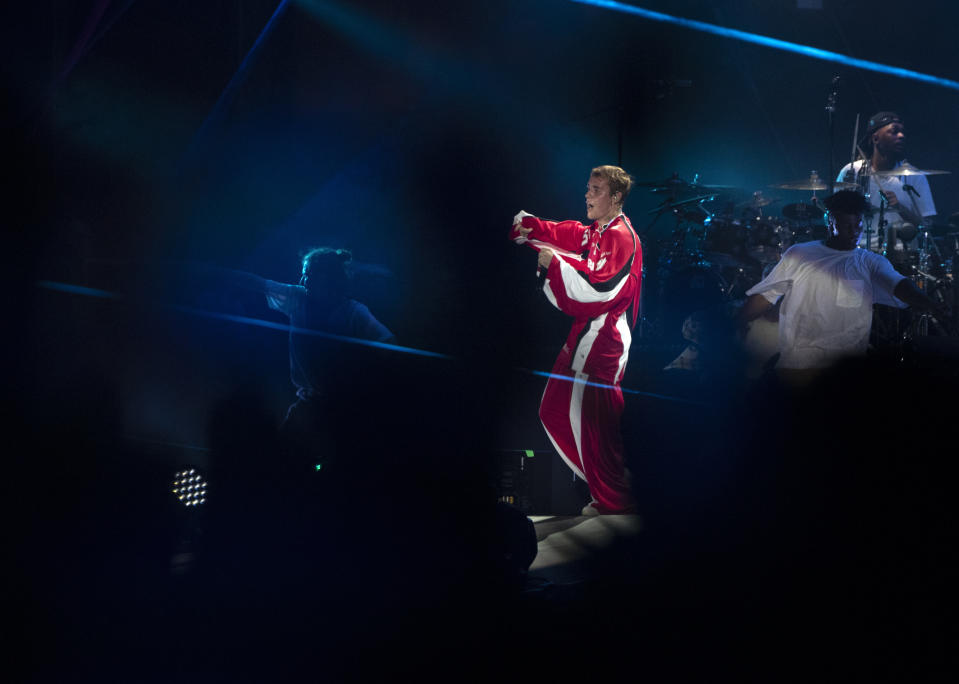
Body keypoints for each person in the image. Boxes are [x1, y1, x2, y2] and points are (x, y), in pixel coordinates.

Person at [509, 165, 642, 515]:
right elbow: (572, 236)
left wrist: (556, 266)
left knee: (595, 423)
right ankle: (610, 483)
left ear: (615, 198)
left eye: (595, 189)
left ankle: (614, 496)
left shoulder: (622, 236)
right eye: (588, 187)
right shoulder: (600, 230)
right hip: (586, 333)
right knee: (554, 410)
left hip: (603, 339)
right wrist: (535, 228)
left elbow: (601, 288)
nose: (586, 194)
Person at [739, 190, 945, 381]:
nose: (854, 231)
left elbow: (899, 284)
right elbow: (765, 296)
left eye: (858, 225)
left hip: (846, 374)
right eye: (846, 225)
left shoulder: (870, 261)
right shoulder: (799, 254)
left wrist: (928, 303)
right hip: (798, 367)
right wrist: (732, 324)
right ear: (830, 221)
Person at [836, 111, 938, 251]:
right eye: (894, 132)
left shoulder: (914, 176)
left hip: (902, 255)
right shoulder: (852, 171)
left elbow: (927, 226)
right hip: (859, 252)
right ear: (875, 138)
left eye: (902, 132)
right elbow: (835, 216)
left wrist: (900, 208)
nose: (901, 136)